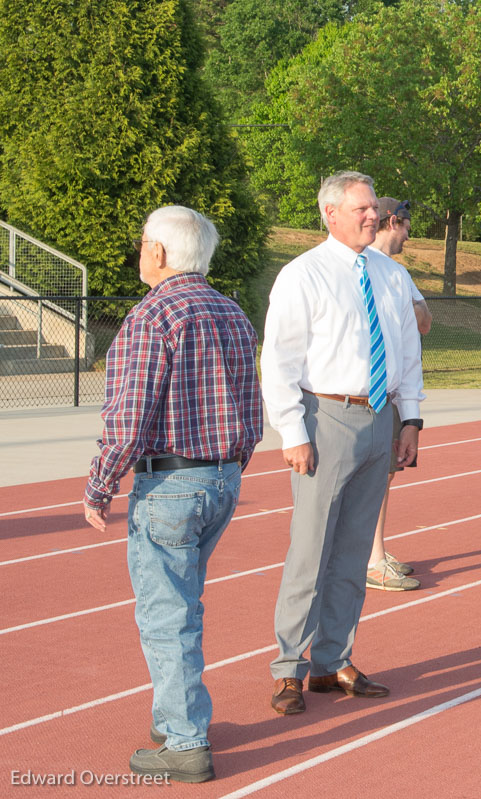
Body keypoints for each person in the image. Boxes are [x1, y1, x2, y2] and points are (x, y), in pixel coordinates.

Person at [83, 206, 262, 783]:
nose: (139, 252)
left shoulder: (151, 316)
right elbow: (251, 410)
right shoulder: (233, 312)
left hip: (171, 483)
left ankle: (185, 740)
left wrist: (100, 483)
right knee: (181, 602)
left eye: (142, 244)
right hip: (221, 478)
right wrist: (231, 467)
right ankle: (172, 716)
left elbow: (128, 417)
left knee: (167, 613)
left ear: (158, 252)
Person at [261, 171, 424, 715]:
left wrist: (411, 420)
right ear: (329, 213)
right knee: (310, 552)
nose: (372, 216)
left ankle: (332, 661)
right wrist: (292, 431)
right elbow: (279, 360)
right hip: (325, 417)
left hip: (381, 418)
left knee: (355, 552)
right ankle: (289, 669)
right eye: (361, 209)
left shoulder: (391, 275)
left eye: (374, 208)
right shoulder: (302, 275)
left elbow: (407, 352)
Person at [365, 197, 432, 592]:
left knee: (385, 475)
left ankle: (375, 550)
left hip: (391, 392)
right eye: (407, 226)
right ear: (394, 221)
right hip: (363, 395)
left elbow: (423, 322)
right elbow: (419, 315)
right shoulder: (365, 269)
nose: (409, 234)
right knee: (371, 478)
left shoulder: (396, 272)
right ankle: (370, 559)